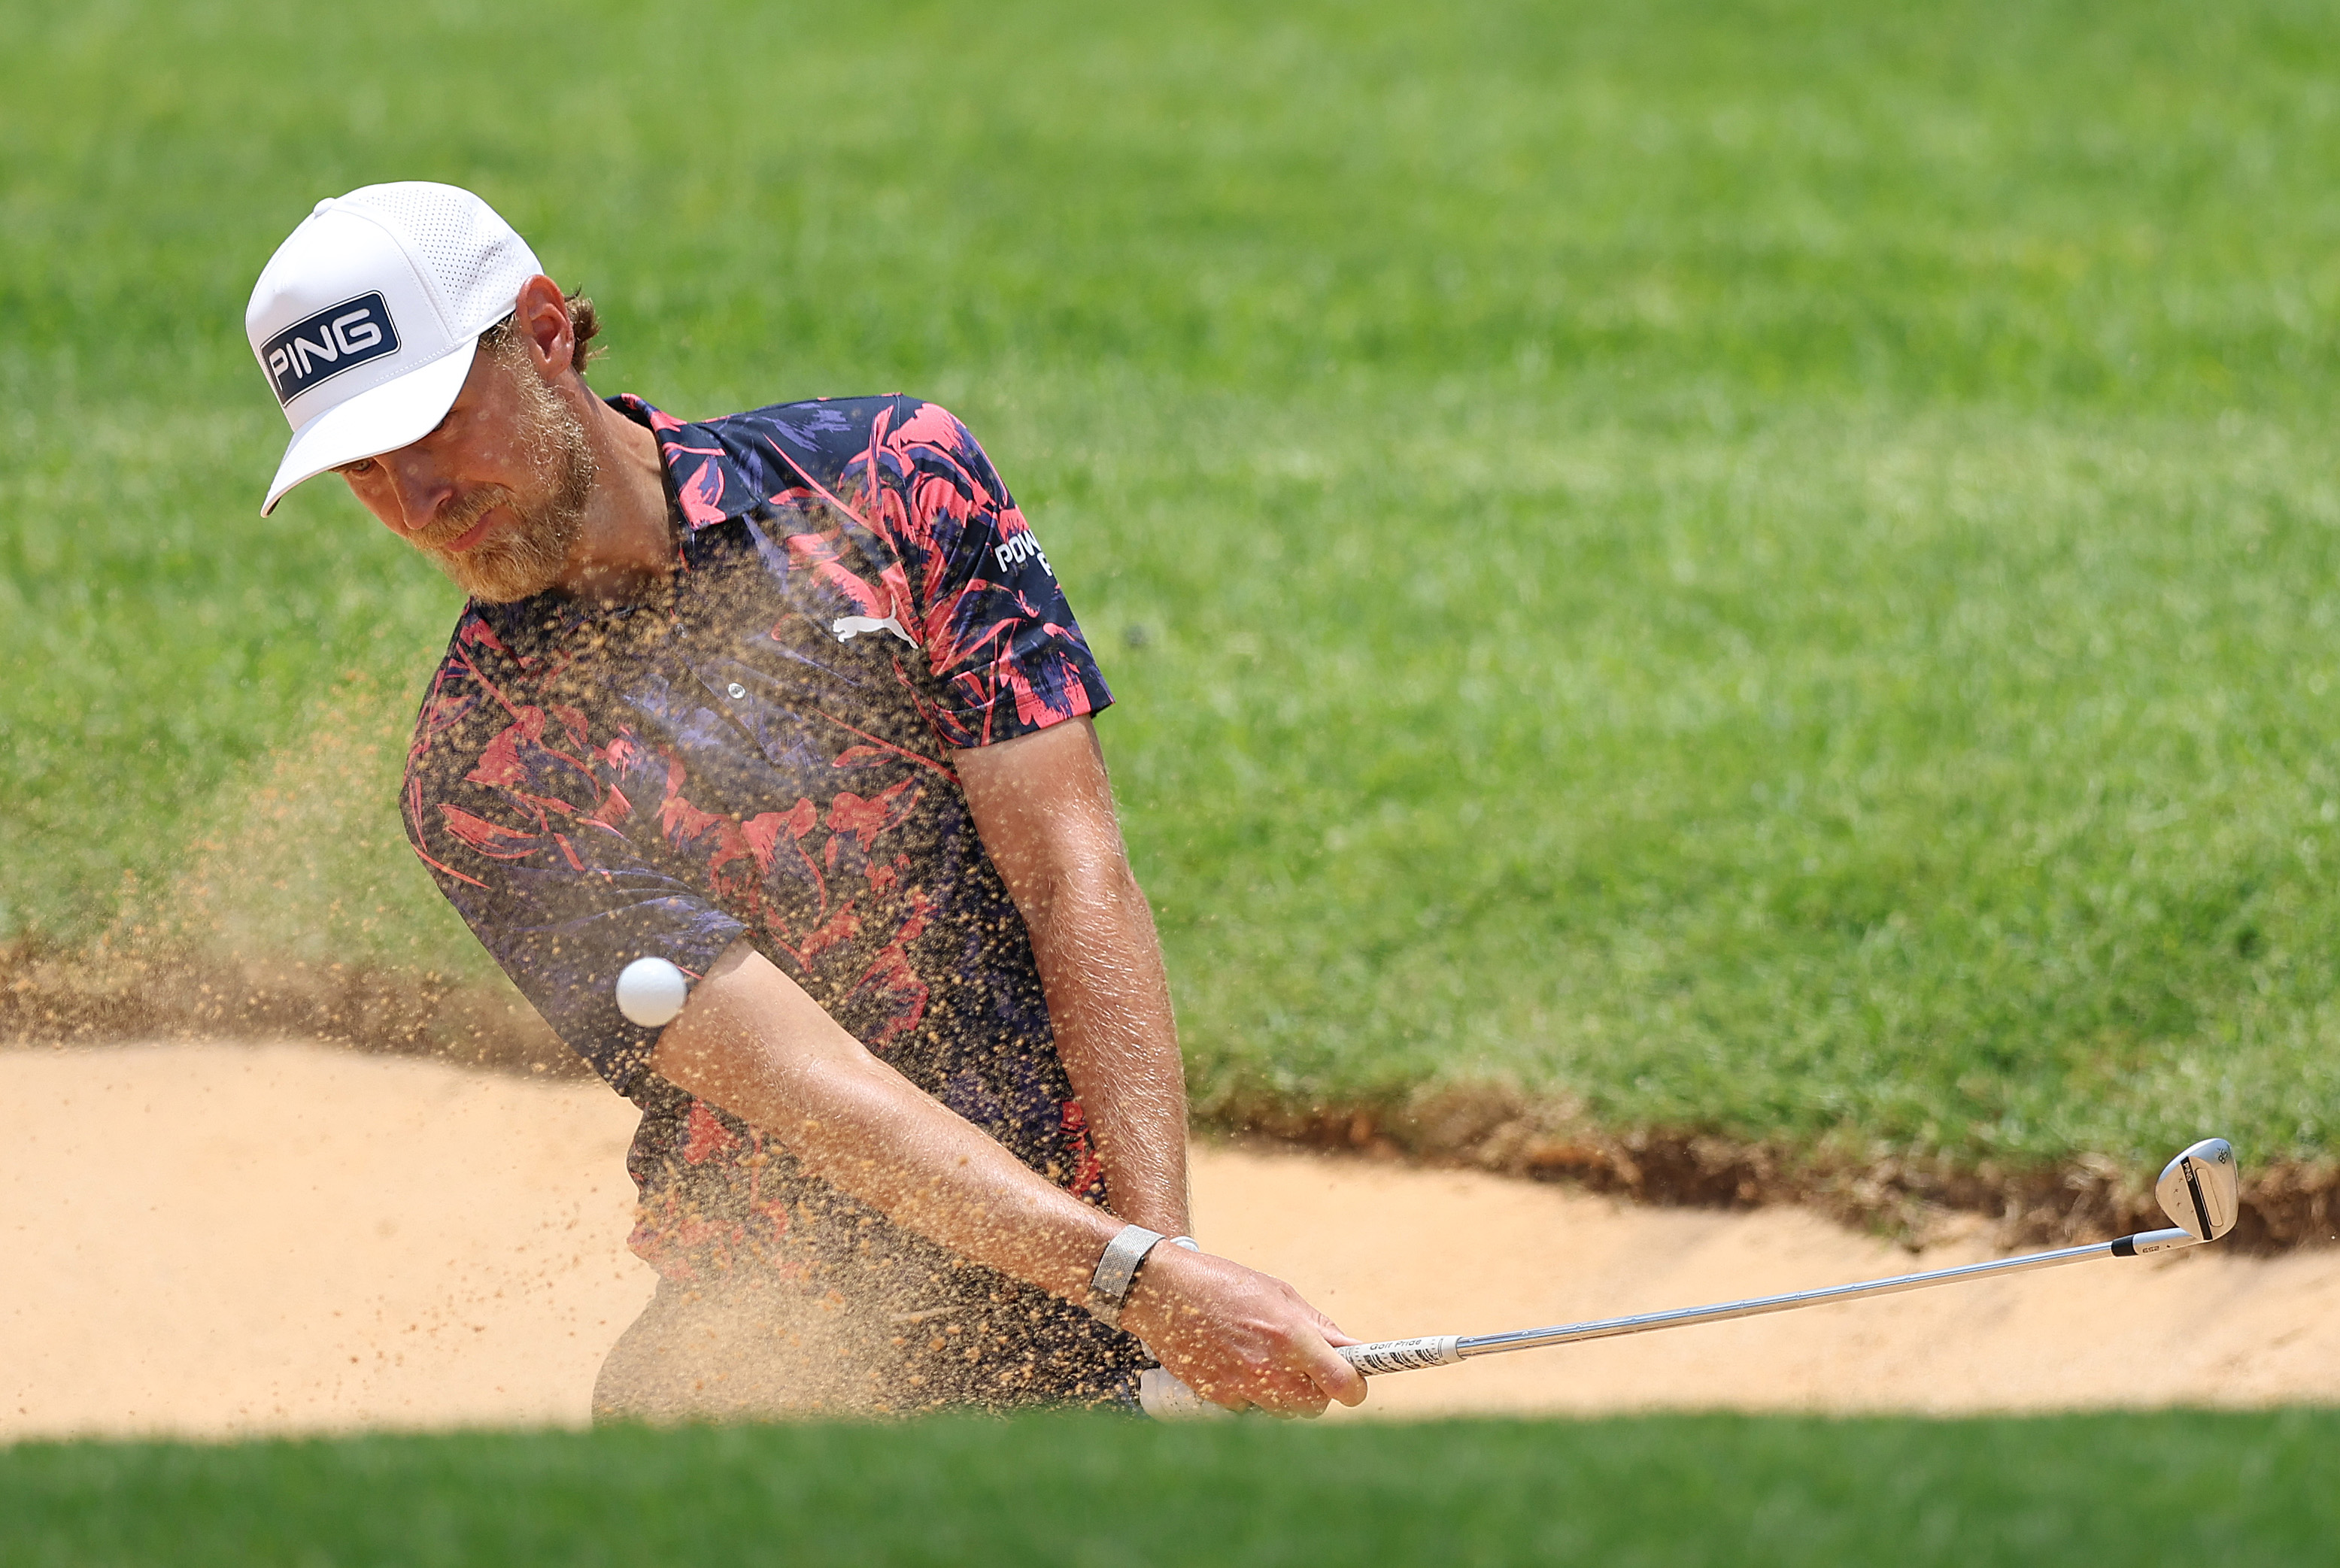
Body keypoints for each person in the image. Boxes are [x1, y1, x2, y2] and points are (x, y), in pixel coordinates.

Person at [242, 181, 1366, 1419]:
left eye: (436, 426)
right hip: (782, 1363)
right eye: (362, 469)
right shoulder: (481, 772)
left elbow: (1072, 873)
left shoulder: (891, 481)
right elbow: (805, 1083)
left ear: (548, 329)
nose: (414, 500)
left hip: (1075, 1315)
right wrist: (1143, 1281)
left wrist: (1170, 1264)